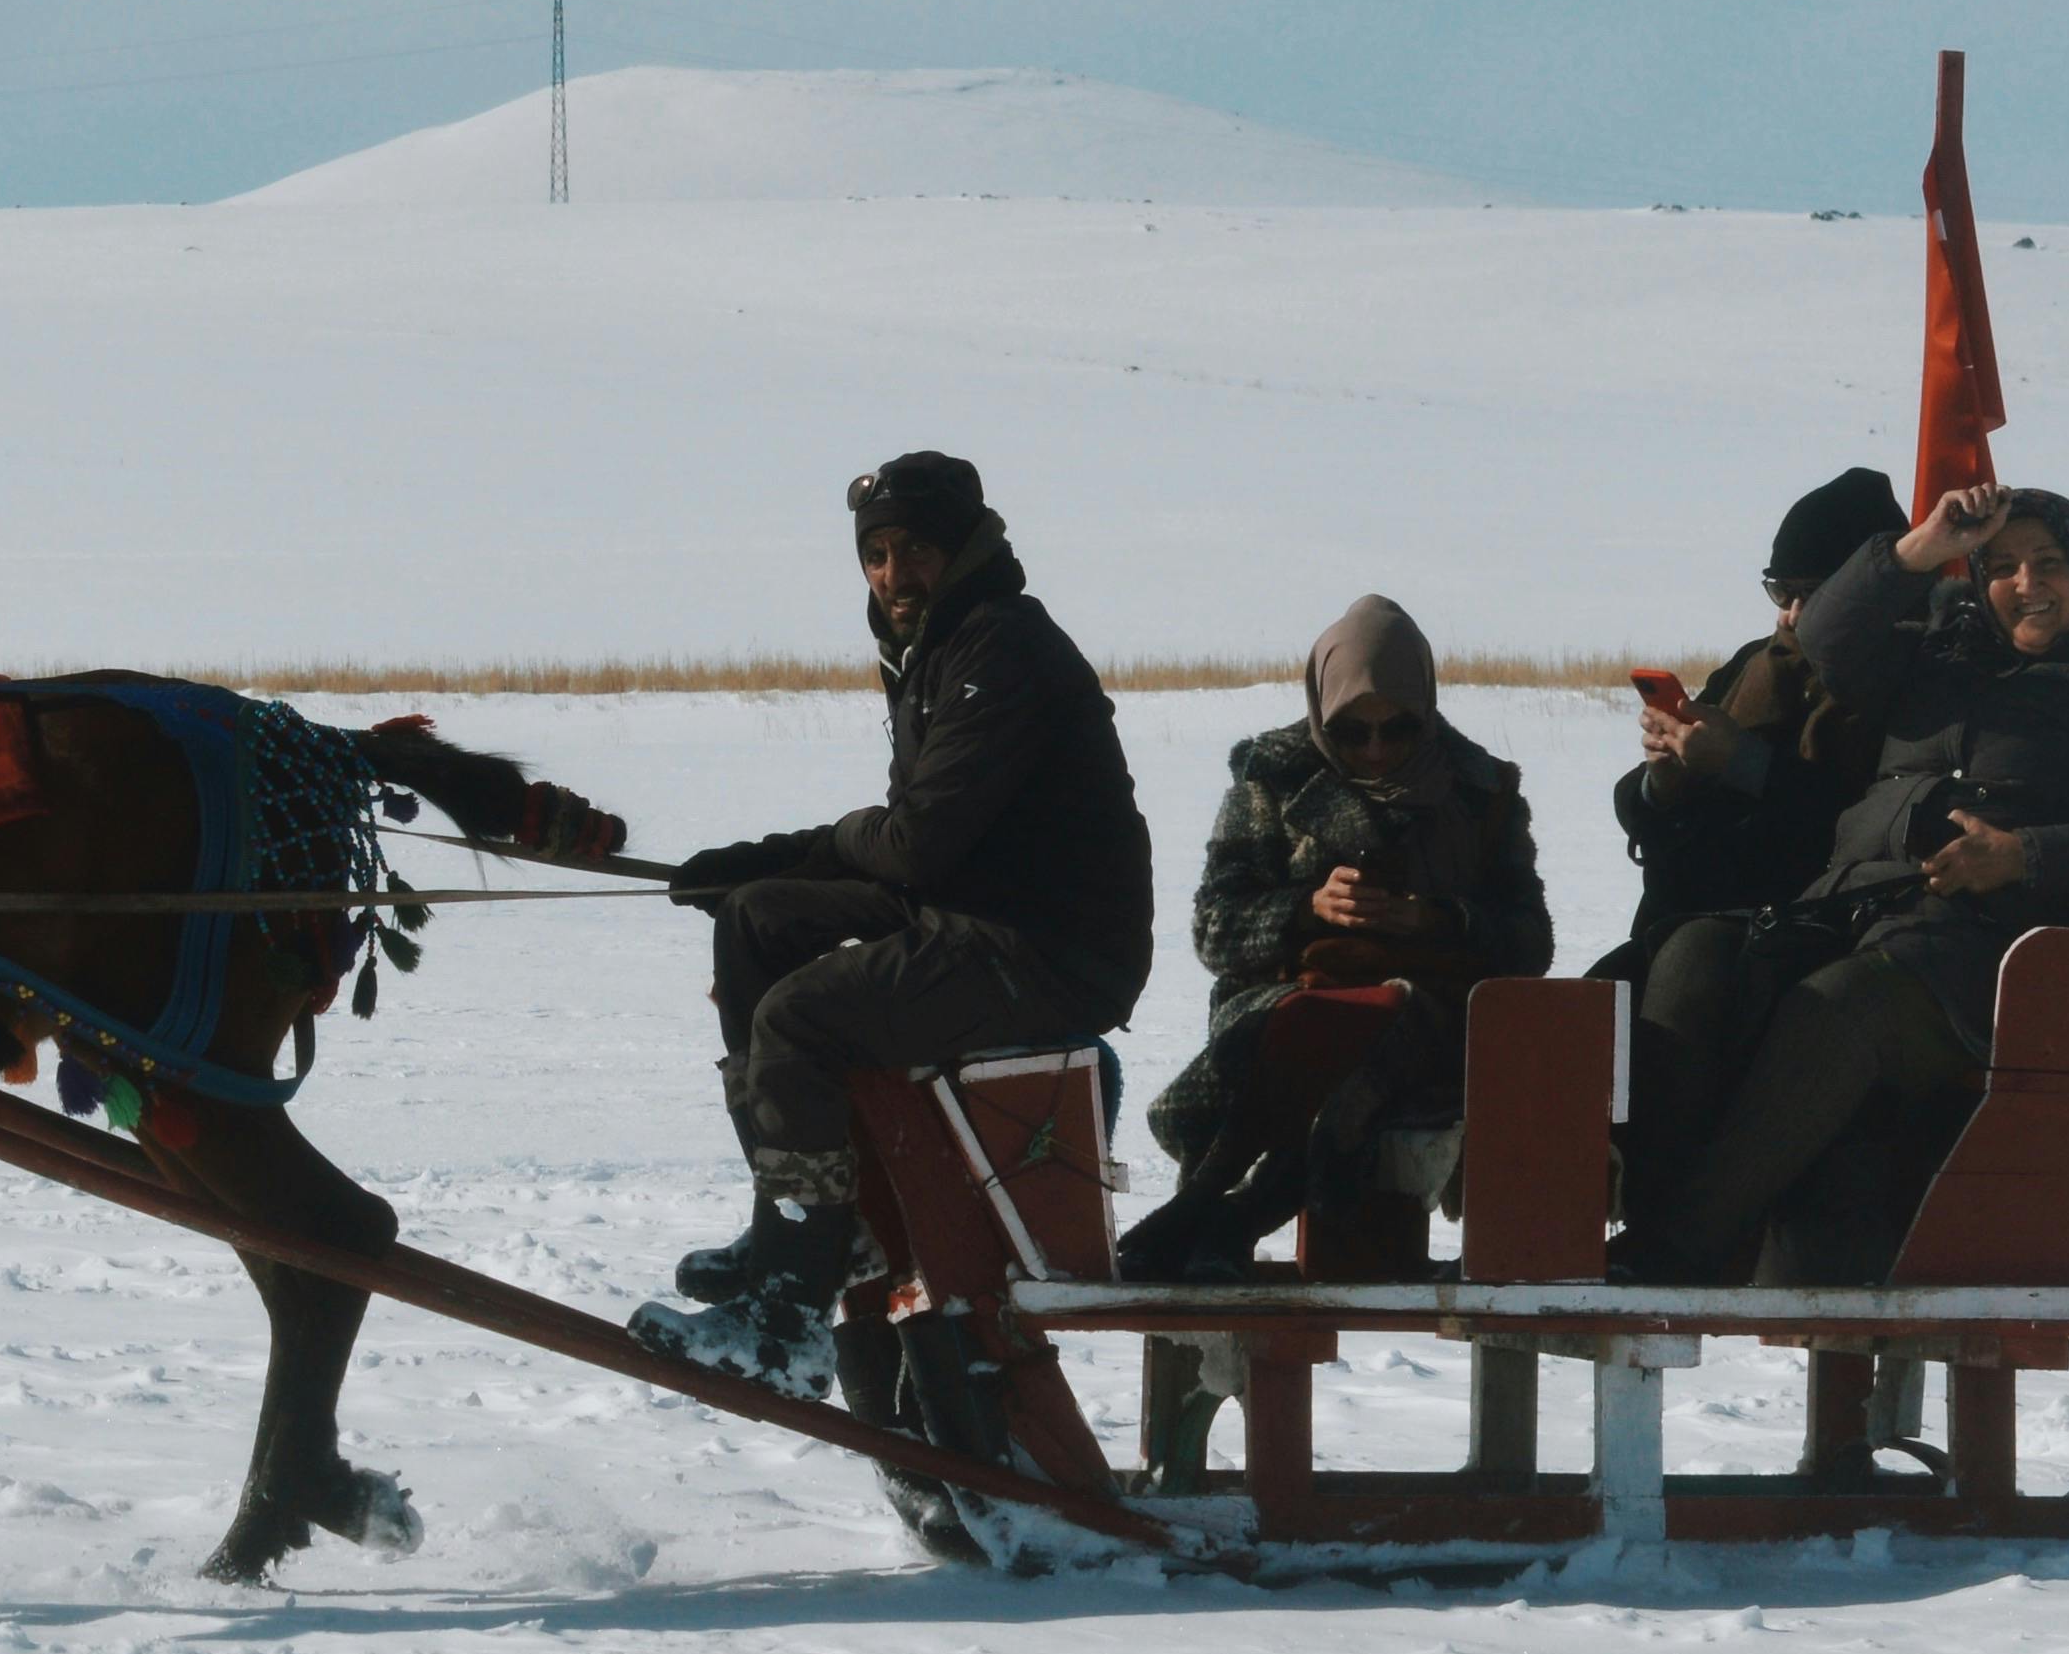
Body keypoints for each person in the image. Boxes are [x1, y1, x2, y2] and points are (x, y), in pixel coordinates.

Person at [632, 452, 1155, 1385]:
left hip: (1046, 949)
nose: (891, 573)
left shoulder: (1001, 646)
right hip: (973, 908)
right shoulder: (936, 650)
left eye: (912, 549)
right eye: (874, 554)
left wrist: (826, 840)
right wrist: (769, 860)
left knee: (798, 1016)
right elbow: (918, 837)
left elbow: (916, 845)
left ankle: (788, 1315)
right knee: (755, 921)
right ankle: (802, 1229)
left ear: (962, 549)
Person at [1615, 479, 2069, 1285]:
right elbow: (1826, 638)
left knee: (1843, 1005)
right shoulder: (1933, 662)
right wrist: (1918, 549)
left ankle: (1678, 1249)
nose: (2028, 585)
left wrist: (2025, 854)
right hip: (1849, 907)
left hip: (1987, 955)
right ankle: (1659, 1227)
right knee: (1693, 956)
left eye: (2048, 564)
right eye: (2002, 566)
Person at [1110, 597, 1555, 1283]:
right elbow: (1212, 932)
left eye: (1399, 730)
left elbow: (1531, 943)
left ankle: (1221, 1214)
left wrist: (1437, 920)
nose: (1376, 751)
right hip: (1285, 1008)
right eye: (1352, 733)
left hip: (1434, 1017)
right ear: (1323, 716)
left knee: (1386, 1016)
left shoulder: (1481, 794)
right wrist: (1307, 910)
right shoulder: (1274, 781)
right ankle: (1225, 1216)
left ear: (1427, 714)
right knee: (1325, 1031)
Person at [1608, 467, 1907, 970]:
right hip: (1683, 919)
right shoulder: (1756, 661)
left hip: (1811, 938)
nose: (1790, 614)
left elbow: (1861, 825)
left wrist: (1743, 762)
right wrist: (1663, 781)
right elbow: (1648, 817)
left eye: (1813, 593)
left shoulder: (1905, 676)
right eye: (1780, 590)